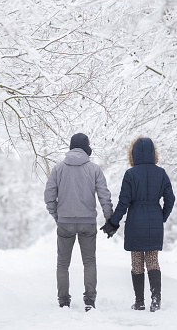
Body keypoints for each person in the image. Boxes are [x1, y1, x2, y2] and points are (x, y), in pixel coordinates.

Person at [101, 137, 175, 312]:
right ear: (153, 153)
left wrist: (112, 223)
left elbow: (123, 203)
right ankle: (155, 301)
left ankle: (139, 302)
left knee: (136, 262)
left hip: (135, 223)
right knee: (153, 261)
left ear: (133, 154)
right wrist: (161, 217)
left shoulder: (130, 174)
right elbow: (170, 199)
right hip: (154, 222)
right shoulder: (161, 173)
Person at [44, 133, 113, 311]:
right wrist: (109, 218)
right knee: (89, 262)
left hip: (65, 222)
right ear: (86, 147)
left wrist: (57, 216)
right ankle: (90, 300)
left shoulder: (58, 169)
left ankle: (64, 301)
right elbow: (104, 195)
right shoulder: (94, 169)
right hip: (88, 222)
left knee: (62, 263)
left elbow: (49, 196)